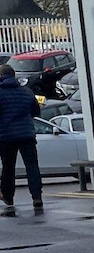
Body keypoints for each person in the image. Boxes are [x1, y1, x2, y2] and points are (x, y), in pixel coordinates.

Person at [0, 62, 44, 217]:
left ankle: (8, 197)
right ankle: (37, 197)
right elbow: (36, 111)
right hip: (27, 134)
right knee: (32, 166)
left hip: (6, 136)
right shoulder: (26, 91)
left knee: (8, 167)